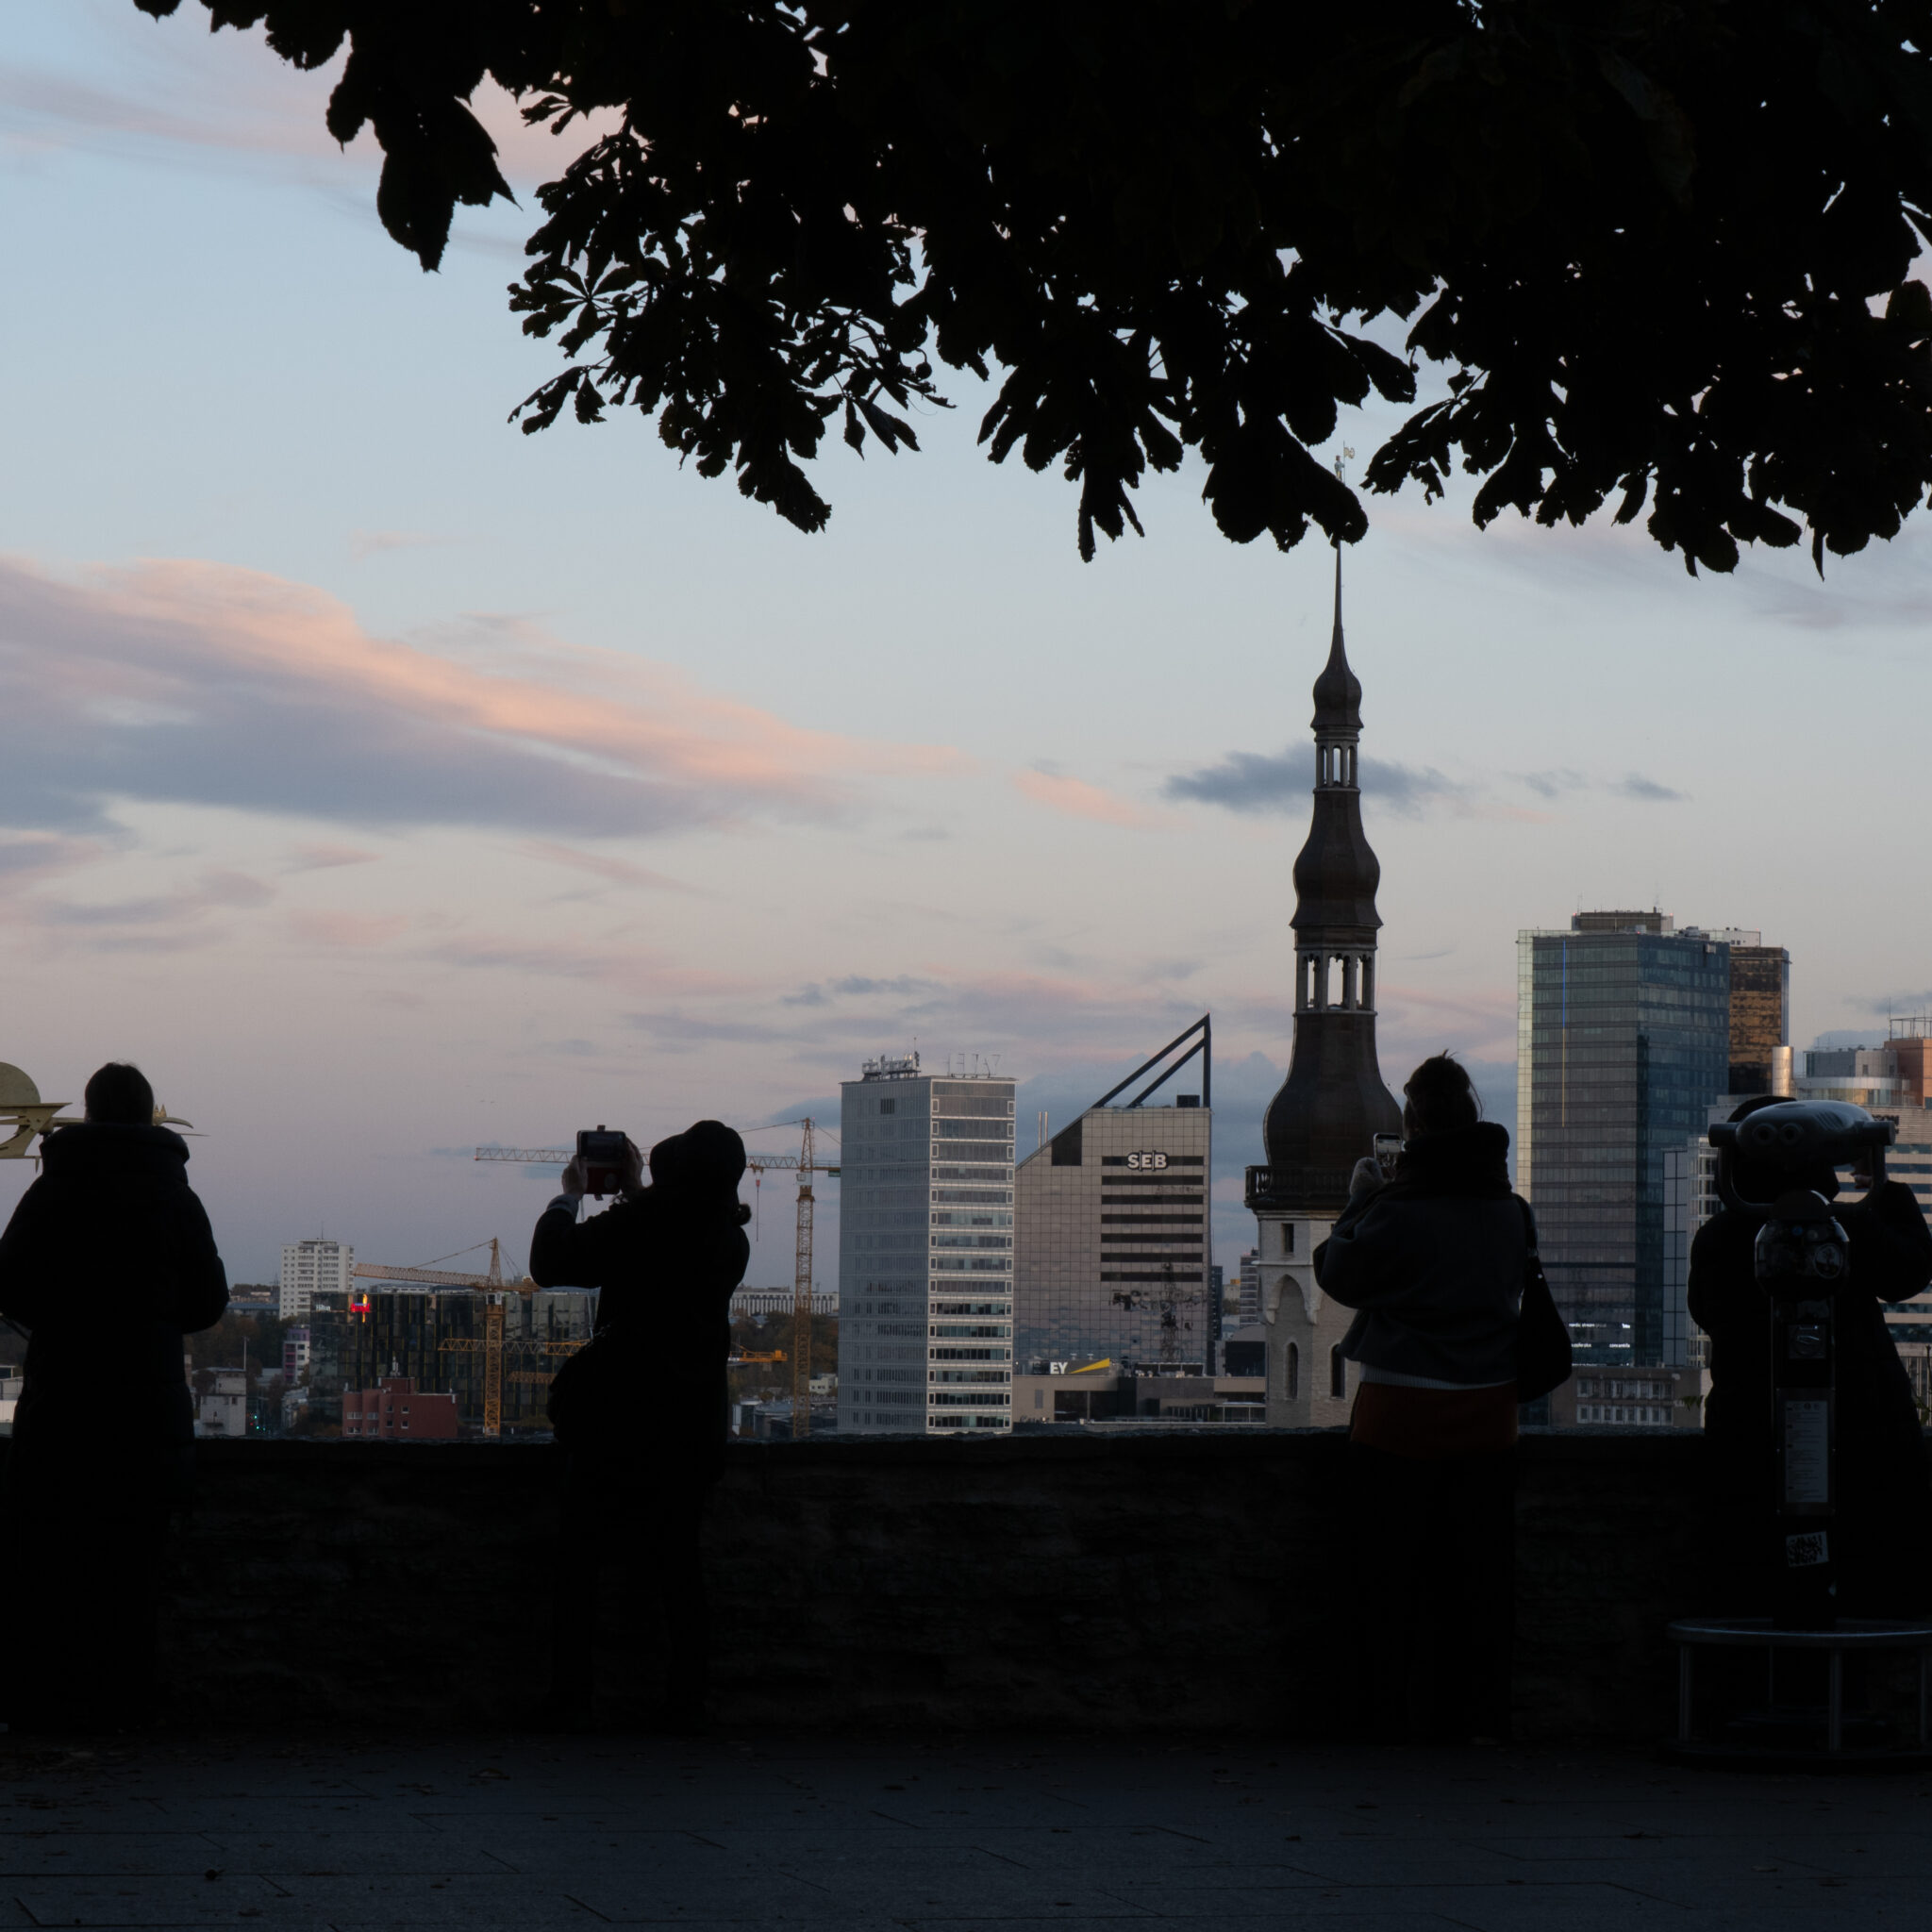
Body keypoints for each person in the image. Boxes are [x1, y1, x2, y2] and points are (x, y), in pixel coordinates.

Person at [0, 1061, 228, 1728]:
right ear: (149, 1113)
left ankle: (48, 1700)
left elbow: (7, 1282)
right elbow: (208, 1300)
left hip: (65, 1400)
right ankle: (122, 1702)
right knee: (131, 1569)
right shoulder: (175, 1197)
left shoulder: (53, 1190)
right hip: (145, 1408)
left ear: (91, 1114)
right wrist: (152, 1324)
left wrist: (60, 1318)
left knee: (50, 1562)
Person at [1313, 1053, 1527, 1742]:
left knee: (1386, 1578)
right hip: (1489, 1411)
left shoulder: (1397, 1211)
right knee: (1477, 1580)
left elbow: (1338, 1273)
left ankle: (1379, 1713)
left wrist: (1362, 1196)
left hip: (1399, 1412)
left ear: (1413, 1128)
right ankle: (1472, 1715)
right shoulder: (1511, 1214)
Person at [530, 1119, 751, 1730]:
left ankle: (570, 1699)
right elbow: (669, 1232)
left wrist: (569, 1193)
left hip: (617, 1425)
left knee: (580, 1565)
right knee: (679, 1568)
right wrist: (638, 1192)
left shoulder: (643, 1225)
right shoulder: (729, 1241)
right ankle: (686, 1704)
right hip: (690, 1428)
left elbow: (550, 1261)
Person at [1690, 1094, 1932, 1613]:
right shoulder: (1849, 1228)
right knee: (1867, 1591)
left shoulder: (1719, 1236)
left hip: (1749, 1434)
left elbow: (1707, 1312)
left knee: (1754, 1588)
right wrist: (1885, 1190)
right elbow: (1908, 1272)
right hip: (1866, 1431)